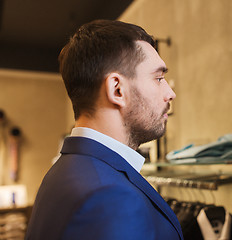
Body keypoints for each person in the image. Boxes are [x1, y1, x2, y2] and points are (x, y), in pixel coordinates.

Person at [25, 19, 182, 240]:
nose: (170, 93)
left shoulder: (67, 169)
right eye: (159, 78)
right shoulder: (110, 197)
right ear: (117, 89)